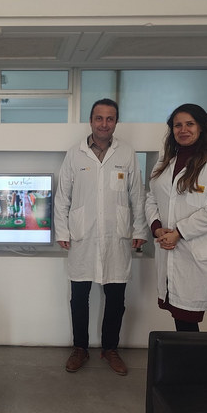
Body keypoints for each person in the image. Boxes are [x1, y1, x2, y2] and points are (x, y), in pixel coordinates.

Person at [54, 98, 148, 375]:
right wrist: (62, 230)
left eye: (109, 118)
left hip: (115, 236)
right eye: (99, 118)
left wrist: (140, 229)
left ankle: (110, 349)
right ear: (91, 120)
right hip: (82, 235)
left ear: (116, 122)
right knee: (78, 297)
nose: (104, 124)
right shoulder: (75, 154)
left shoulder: (127, 153)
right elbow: (63, 197)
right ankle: (80, 348)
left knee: (116, 298)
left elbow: (137, 196)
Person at [145, 103, 207, 332]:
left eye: (189, 124)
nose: (183, 129)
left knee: (188, 319)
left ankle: (192, 365)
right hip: (169, 248)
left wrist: (179, 232)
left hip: (196, 252)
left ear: (202, 127)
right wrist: (157, 228)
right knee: (180, 318)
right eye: (178, 125)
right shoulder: (165, 161)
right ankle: (187, 363)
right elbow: (151, 198)